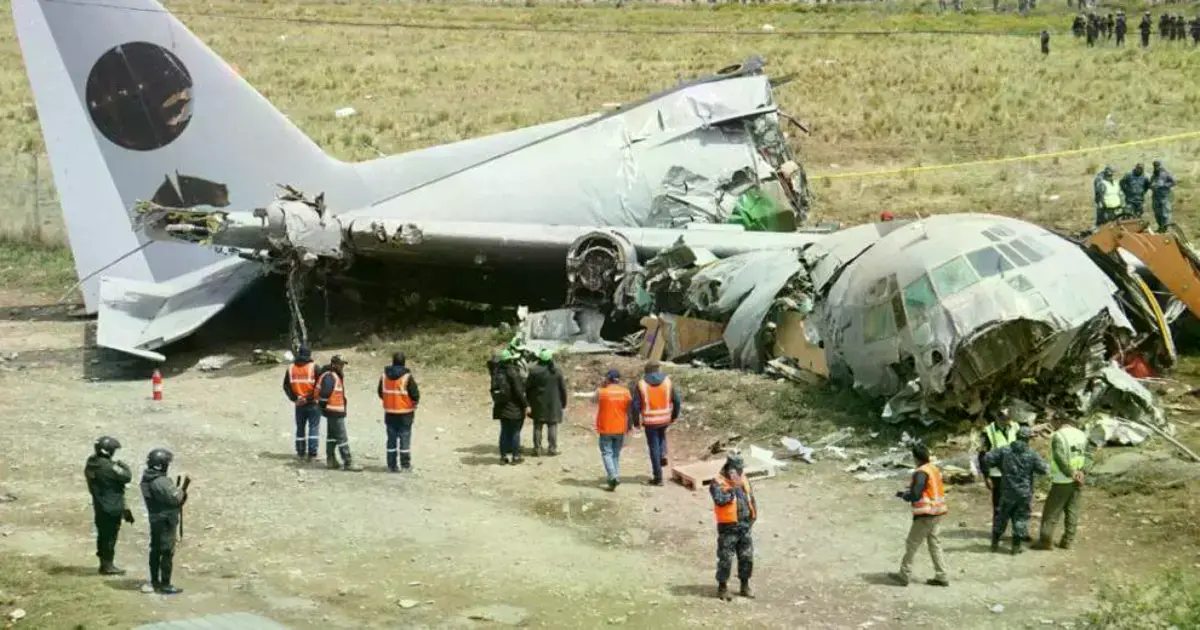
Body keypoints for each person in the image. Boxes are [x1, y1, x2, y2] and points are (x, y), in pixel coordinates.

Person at [889, 443, 949, 588]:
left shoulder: (921, 472)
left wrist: (904, 495)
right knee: (935, 544)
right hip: (937, 512)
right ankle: (942, 575)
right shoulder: (933, 468)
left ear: (915, 458)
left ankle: (904, 575)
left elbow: (916, 495)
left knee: (912, 543)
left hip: (926, 514)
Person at [981, 427, 1048, 555]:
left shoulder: (1005, 450)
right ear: (1028, 439)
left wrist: (1000, 466)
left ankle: (994, 544)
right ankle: (1015, 548)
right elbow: (1043, 469)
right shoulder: (1032, 454)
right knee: (1021, 518)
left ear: (1016, 436)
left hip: (1006, 491)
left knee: (1001, 516)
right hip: (1024, 493)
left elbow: (987, 459)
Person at [1035, 412, 1093, 551]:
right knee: (1073, 510)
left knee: (1051, 512)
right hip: (1078, 479)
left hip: (1063, 480)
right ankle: (1068, 541)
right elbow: (1089, 456)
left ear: (1058, 421)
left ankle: (1045, 541)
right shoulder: (1081, 434)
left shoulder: (1058, 436)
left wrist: (1070, 473)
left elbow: (1060, 458)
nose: (1051, 425)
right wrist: (1082, 472)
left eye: (1052, 422)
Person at [84, 436, 135, 575]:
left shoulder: (91, 463)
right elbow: (126, 476)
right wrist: (123, 465)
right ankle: (108, 565)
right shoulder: (108, 467)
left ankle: (104, 563)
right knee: (110, 537)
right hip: (112, 507)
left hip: (100, 505)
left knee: (103, 535)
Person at [711, 454, 757, 601]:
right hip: (728, 528)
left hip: (744, 525)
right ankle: (722, 587)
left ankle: (745, 585)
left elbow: (750, 496)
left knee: (746, 557)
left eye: (740, 469)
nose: (739, 472)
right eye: (737, 469)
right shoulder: (717, 482)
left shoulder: (743, 477)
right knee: (725, 558)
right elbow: (720, 501)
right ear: (730, 468)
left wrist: (753, 514)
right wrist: (733, 489)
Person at [140, 448, 186, 595]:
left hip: (157, 519)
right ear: (160, 465)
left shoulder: (149, 479)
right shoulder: (161, 481)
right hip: (165, 521)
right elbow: (176, 498)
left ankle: (155, 581)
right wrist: (181, 492)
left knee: (156, 550)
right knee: (166, 552)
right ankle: (165, 584)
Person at [631, 360, 681, 486]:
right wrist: (674, 416)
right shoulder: (667, 382)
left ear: (646, 370)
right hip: (664, 419)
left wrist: (636, 422)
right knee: (662, 436)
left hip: (650, 421)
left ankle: (658, 478)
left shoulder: (641, 384)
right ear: (658, 369)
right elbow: (677, 401)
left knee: (653, 447)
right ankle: (663, 453)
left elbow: (635, 406)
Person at [976, 410, 1019, 537]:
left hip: (1014, 472)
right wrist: (986, 476)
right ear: (998, 418)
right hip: (997, 474)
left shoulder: (1015, 427)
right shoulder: (988, 432)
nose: (1007, 422)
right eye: (1004, 419)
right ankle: (997, 533)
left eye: (1008, 419)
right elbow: (982, 455)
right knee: (999, 505)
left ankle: (1018, 532)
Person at [317, 355, 361, 472]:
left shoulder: (332, 375)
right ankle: (348, 461)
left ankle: (331, 460)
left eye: (343, 364)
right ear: (334, 364)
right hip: (334, 411)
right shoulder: (331, 376)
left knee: (332, 437)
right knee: (342, 438)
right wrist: (324, 407)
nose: (342, 367)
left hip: (333, 411)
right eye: (340, 364)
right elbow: (324, 394)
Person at [378, 351, 420, 473]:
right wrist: (413, 403)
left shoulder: (384, 376)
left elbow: (381, 392)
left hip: (390, 412)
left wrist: (390, 401)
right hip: (405, 413)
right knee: (404, 438)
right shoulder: (407, 377)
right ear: (404, 362)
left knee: (391, 439)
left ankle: (391, 465)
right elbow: (415, 394)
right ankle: (405, 465)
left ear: (393, 361)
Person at [594, 369, 633, 491]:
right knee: (615, 454)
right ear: (618, 380)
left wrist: (602, 386)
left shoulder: (601, 392)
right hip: (620, 427)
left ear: (608, 379)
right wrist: (630, 425)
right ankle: (614, 478)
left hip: (605, 428)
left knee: (607, 453)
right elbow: (629, 411)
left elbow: (593, 400)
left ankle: (613, 476)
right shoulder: (626, 393)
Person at [525, 349, 567, 457]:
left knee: (538, 426)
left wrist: (528, 402)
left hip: (538, 403)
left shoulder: (534, 371)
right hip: (554, 403)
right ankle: (552, 449)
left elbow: (528, 388)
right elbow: (562, 389)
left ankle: (537, 449)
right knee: (552, 425)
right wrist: (563, 402)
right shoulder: (557, 371)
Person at [490, 349, 529, 465]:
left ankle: (503, 457)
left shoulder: (496, 372)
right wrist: (526, 405)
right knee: (515, 431)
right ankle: (515, 457)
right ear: (511, 359)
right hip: (514, 406)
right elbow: (518, 391)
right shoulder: (513, 371)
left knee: (504, 431)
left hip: (501, 406)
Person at [283, 345, 321, 460]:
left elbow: (286, 386)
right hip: (313, 403)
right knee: (313, 428)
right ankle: (312, 453)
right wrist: (308, 398)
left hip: (298, 404)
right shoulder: (314, 367)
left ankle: (300, 452)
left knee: (300, 428)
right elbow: (319, 386)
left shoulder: (291, 368)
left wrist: (295, 399)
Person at [1150, 160, 1176, 233]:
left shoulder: (1166, 174)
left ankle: (1166, 228)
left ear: (1160, 166)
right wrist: (1152, 185)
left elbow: (1173, 182)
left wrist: (1164, 185)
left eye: (1158, 166)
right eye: (1155, 166)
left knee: (1165, 214)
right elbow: (1150, 183)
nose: (1156, 167)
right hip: (1156, 197)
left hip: (1164, 197)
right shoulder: (1154, 175)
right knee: (1157, 214)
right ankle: (1161, 227)